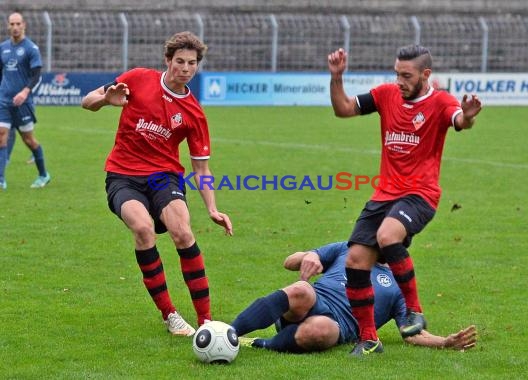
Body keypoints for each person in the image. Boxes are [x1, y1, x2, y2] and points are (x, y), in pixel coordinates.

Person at [327, 45, 482, 355]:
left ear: (426, 75)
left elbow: (459, 121)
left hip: (420, 194)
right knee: (356, 262)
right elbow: (343, 109)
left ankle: (414, 309)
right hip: (384, 194)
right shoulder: (386, 94)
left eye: (406, 75)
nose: (399, 80)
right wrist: (337, 77)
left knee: (387, 236)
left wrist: (467, 116)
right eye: (397, 73)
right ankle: (369, 339)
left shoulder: (439, 102)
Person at [81, 31, 233, 336]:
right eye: (180, 61)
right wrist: (106, 101)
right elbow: (87, 101)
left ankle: (206, 320)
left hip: (164, 177)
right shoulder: (137, 79)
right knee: (143, 228)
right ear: (168, 60)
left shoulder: (194, 113)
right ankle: (170, 314)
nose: (186, 68)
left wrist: (213, 208)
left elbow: (201, 167)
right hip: (123, 175)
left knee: (182, 232)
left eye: (192, 63)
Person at [231, 241, 477, 353]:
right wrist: (310, 257)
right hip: (309, 303)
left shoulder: (399, 286)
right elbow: (289, 262)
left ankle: (261, 343)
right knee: (301, 289)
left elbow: (412, 334)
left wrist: (444, 342)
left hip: (337, 326)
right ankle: (228, 331)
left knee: (320, 328)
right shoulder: (346, 249)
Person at [0, 12, 50, 190]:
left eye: (18, 24)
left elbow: (36, 75)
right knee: (1, 136)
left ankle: (43, 175)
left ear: (24, 25)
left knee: (29, 140)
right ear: (8, 26)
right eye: (11, 24)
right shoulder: (3, 47)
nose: (14, 27)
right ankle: (1, 179)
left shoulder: (31, 48)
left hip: (23, 103)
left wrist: (25, 92)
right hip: (4, 101)